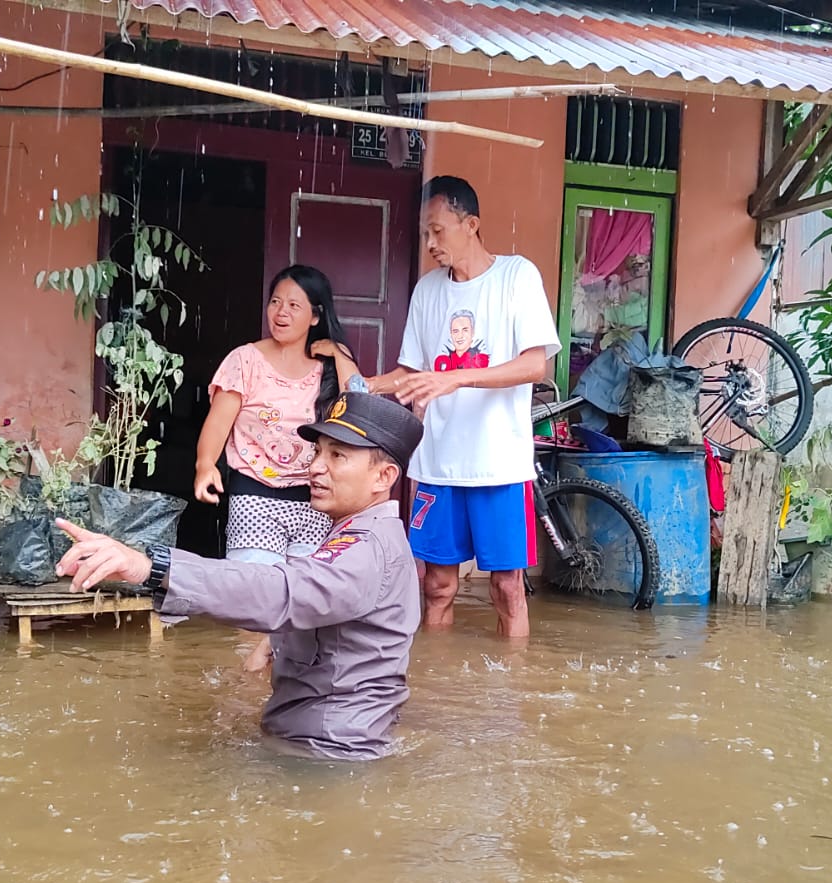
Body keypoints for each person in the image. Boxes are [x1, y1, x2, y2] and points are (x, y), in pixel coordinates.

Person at [55, 391, 425, 762]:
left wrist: (154, 568)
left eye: (337, 455)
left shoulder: (365, 550)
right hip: (325, 742)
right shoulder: (363, 536)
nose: (315, 467)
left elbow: (282, 591)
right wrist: (274, 641)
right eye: (317, 452)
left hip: (327, 755)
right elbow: (318, 605)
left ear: (384, 476)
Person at [367, 175, 561, 639]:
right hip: (436, 464)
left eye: (438, 230)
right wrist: (365, 385)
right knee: (435, 585)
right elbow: (411, 374)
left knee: (507, 589)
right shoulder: (428, 290)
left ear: (471, 224)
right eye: (425, 233)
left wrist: (456, 377)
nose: (430, 243)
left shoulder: (517, 276)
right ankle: (436, 691)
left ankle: (510, 698)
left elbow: (534, 366)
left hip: (499, 465)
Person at [192, 265, 362, 670]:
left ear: (316, 316)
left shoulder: (331, 366)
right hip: (255, 497)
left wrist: (339, 354)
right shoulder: (245, 360)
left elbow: (360, 406)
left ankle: (287, 703)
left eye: (293, 306)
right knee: (255, 609)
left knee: (305, 613)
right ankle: (246, 705)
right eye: (275, 302)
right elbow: (218, 422)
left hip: (315, 503)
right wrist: (204, 466)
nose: (280, 313)